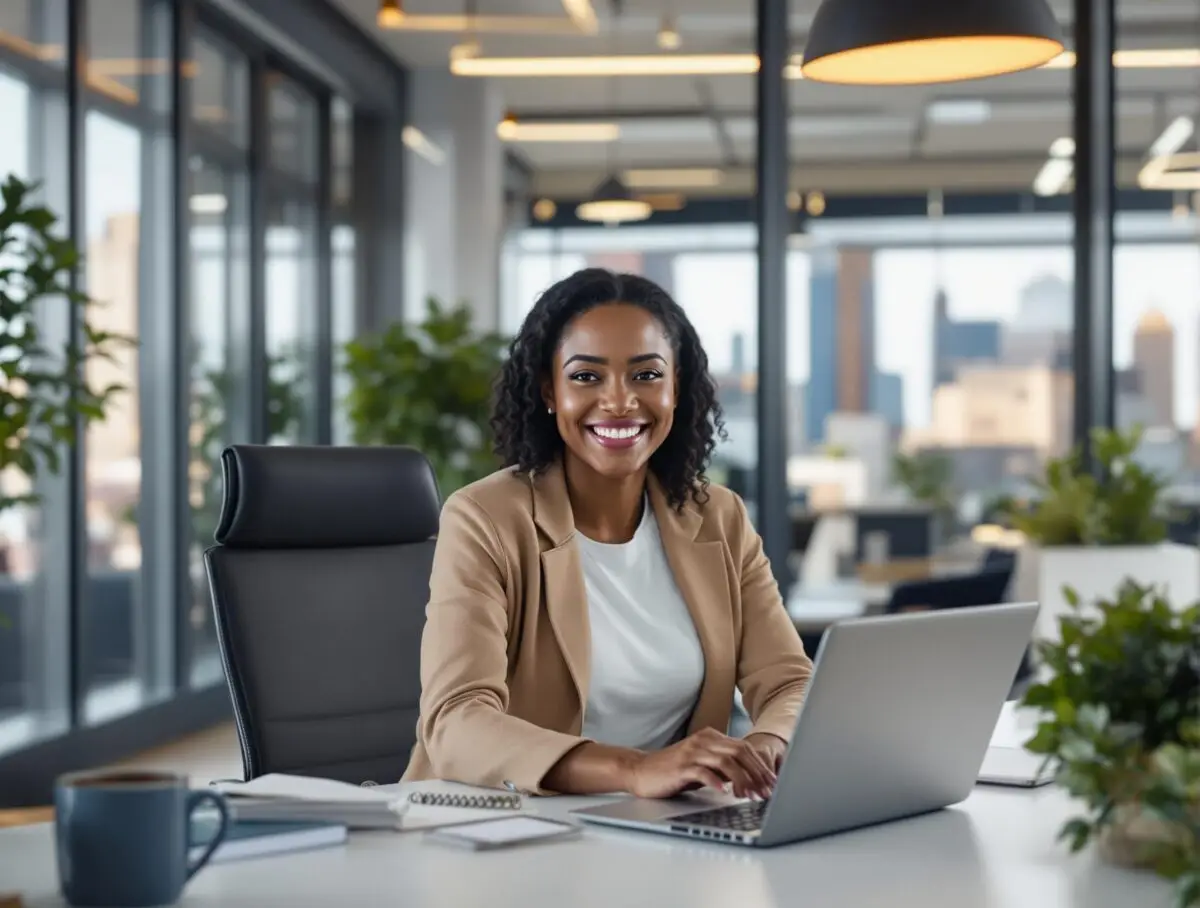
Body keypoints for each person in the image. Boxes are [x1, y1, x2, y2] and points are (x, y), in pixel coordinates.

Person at [403, 268, 813, 800]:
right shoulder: (485, 519)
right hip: (502, 830)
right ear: (549, 389)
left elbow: (788, 682)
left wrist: (766, 744)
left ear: (677, 388)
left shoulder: (719, 518)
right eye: (586, 376)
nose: (619, 401)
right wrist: (634, 770)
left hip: (659, 832)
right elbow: (456, 721)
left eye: (646, 375)